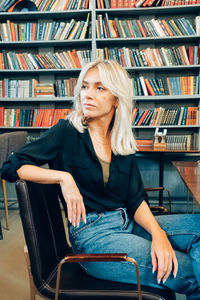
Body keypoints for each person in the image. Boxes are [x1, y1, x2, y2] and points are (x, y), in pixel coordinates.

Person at [1, 59, 200, 299]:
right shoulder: (67, 131)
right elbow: (11, 166)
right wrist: (63, 178)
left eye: (99, 88)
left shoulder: (121, 143)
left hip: (128, 224)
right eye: (84, 86)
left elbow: (136, 200)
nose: (88, 94)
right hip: (94, 237)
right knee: (189, 271)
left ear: (116, 98)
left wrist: (158, 234)